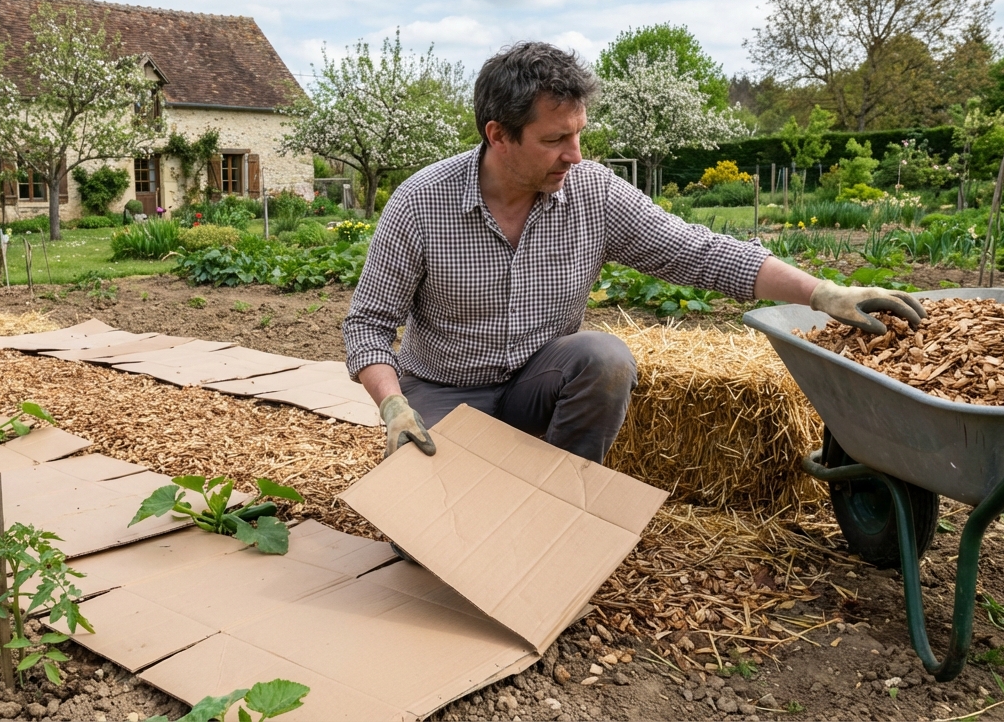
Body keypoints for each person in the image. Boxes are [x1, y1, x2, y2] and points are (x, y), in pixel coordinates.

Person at [342, 42, 925, 462]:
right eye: (554, 140)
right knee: (419, 540)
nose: (574, 155)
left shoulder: (592, 193)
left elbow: (699, 251)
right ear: (498, 135)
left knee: (604, 356)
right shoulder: (421, 203)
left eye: (578, 135)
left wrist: (822, 292)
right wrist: (392, 404)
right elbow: (367, 325)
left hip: (539, 385)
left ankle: (563, 494)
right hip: (447, 389)